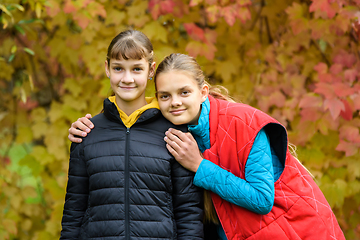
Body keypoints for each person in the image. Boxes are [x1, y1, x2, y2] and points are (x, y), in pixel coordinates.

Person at [68, 53, 345, 240]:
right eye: (165, 95)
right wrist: (90, 127)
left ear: (203, 92)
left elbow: (261, 200)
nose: (175, 102)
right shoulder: (173, 131)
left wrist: (198, 165)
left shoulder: (243, 122)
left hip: (296, 229)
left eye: (184, 92)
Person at [60, 31, 204, 240]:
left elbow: (188, 213)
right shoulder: (87, 133)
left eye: (137, 69)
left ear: (151, 70)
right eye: (118, 68)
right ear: (107, 68)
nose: (127, 79)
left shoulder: (174, 132)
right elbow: (74, 211)